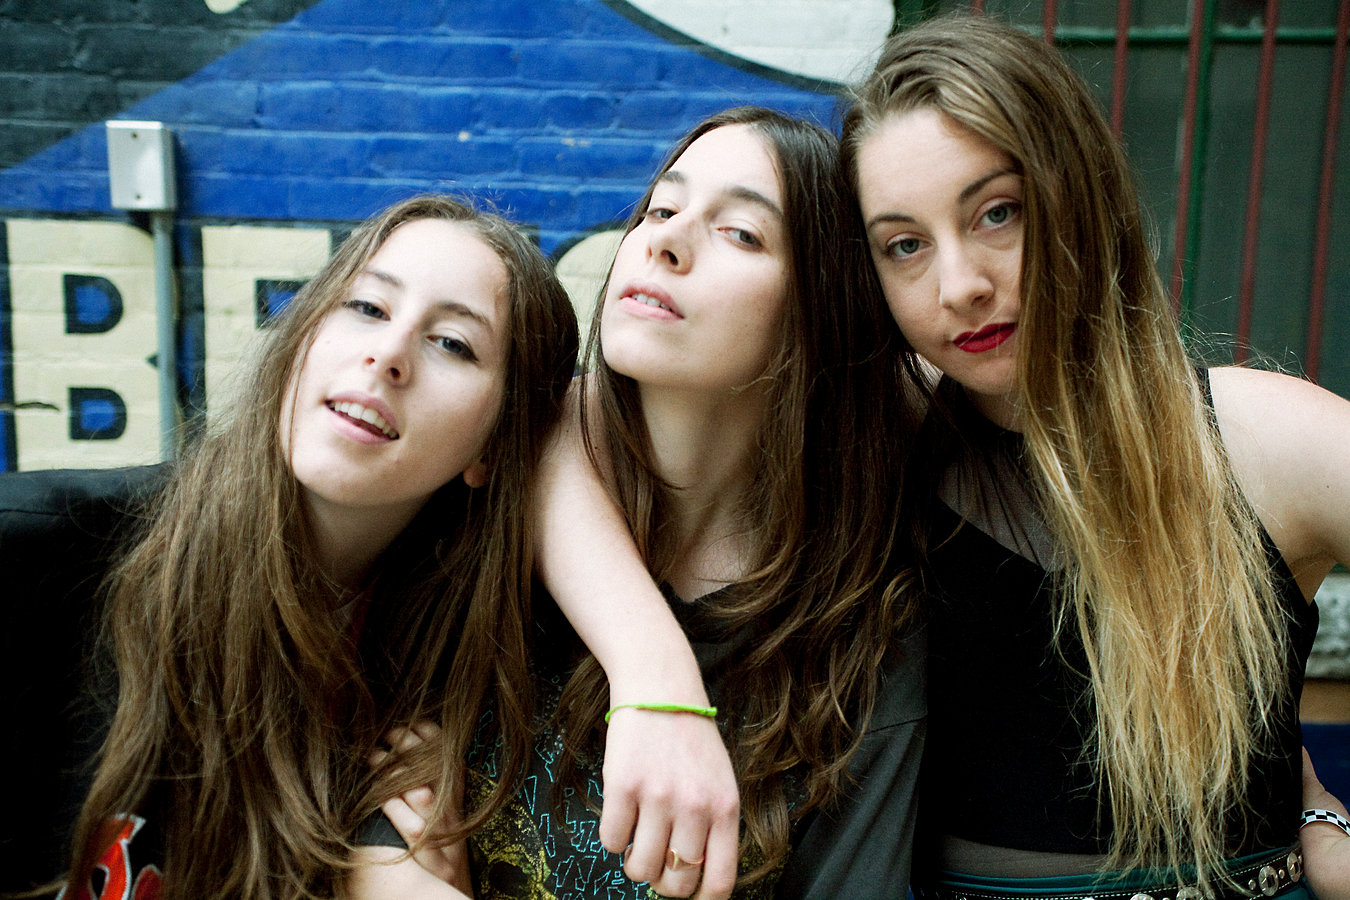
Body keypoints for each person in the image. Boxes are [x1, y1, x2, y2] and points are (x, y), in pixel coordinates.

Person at [837, 13, 1350, 899]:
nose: (960, 285)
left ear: (1079, 195)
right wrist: (651, 671)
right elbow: (592, 433)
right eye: (905, 245)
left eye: (998, 213)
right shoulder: (881, 439)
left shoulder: (1261, 437)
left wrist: (1330, 824)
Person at [372, 107, 926, 899]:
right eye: (661, 208)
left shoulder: (861, 641)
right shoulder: (488, 497)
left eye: (741, 233)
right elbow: (354, 797)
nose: (666, 241)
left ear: (821, 309)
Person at [1, 194, 578, 899]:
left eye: (453, 343)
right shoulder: (41, 557)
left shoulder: (436, 680)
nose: (387, 355)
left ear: (493, 446)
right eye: (366, 307)